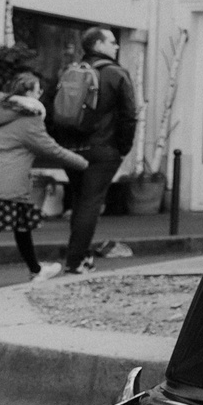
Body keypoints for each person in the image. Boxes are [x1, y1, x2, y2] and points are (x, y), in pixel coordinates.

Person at [0, 74, 87, 292]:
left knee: (21, 227)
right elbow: (50, 148)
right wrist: (81, 162)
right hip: (10, 181)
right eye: (37, 91)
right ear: (28, 94)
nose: (40, 95)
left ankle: (36, 270)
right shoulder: (29, 119)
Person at [47, 26, 140, 277]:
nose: (116, 46)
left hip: (72, 149)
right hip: (103, 149)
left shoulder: (69, 71)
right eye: (111, 42)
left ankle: (82, 255)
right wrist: (122, 148)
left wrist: (61, 143)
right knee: (90, 203)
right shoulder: (117, 73)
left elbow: (50, 110)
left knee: (80, 201)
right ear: (98, 45)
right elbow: (129, 116)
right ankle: (75, 261)